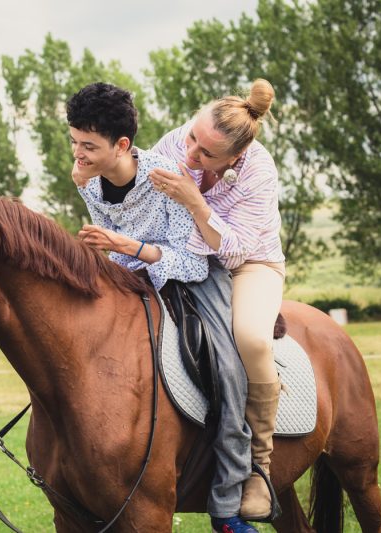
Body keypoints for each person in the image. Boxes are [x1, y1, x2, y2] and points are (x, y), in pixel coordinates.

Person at [68, 82, 257, 533]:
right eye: (74, 141)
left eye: (88, 146)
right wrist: (111, 253)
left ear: (123, 145)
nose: (78, 153)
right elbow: (110, 235)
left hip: (191, 273)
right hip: (128, 275)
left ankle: (229, 502)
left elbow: (191, 260)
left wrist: (126, 245)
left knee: (229, 368)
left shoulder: (164, 177)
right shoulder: (87, 177)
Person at [149, 79, 285, 521]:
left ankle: (257, 467)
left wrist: (195, 203)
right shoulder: (177, 142)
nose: (190, 154)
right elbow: (139, 187)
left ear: (234, 157)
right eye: (192, 137)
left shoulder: (258, 172)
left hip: (249, 263)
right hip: (184, 254)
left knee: (251, 339)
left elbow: (235, 251)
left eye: (206, 154)